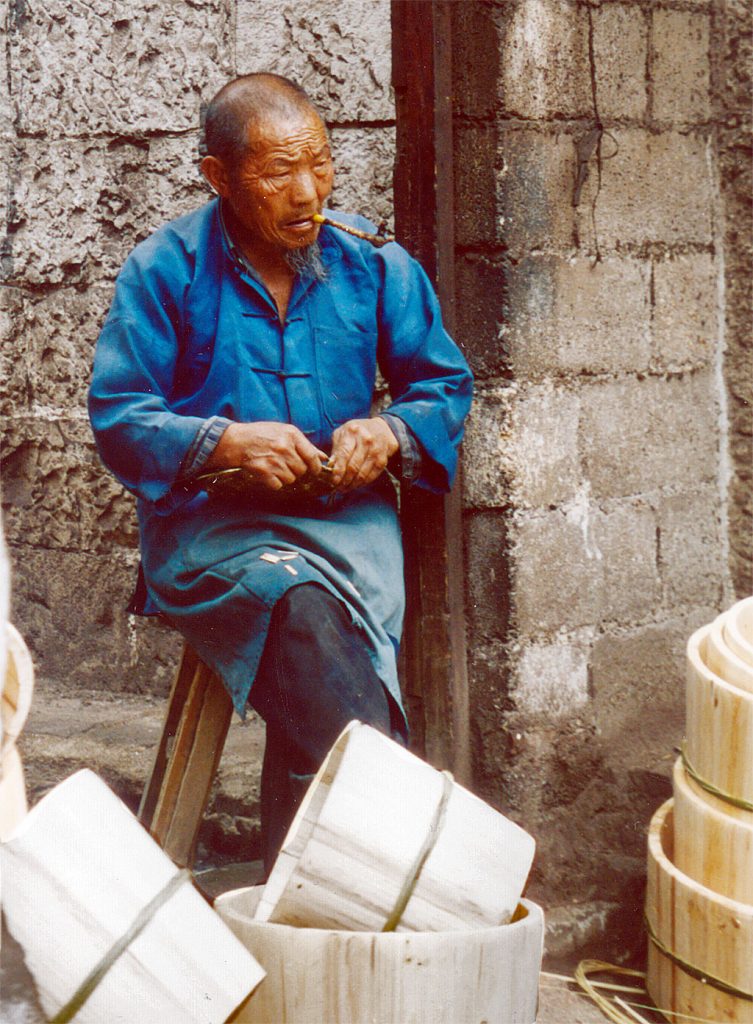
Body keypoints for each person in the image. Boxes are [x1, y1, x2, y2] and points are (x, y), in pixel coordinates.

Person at [89, 73, 473, 871]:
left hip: (347, 524)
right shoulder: (165, 269)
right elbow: (120, 418)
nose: (307, 193)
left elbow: (443, 385)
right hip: (212, 534)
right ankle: (374, 871)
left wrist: (391, 431)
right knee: (300, 614)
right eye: (276, 173)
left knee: (323, 639)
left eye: (321, 164)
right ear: (218, 177)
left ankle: (305, 896)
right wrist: (226, 445)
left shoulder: (374, 262)